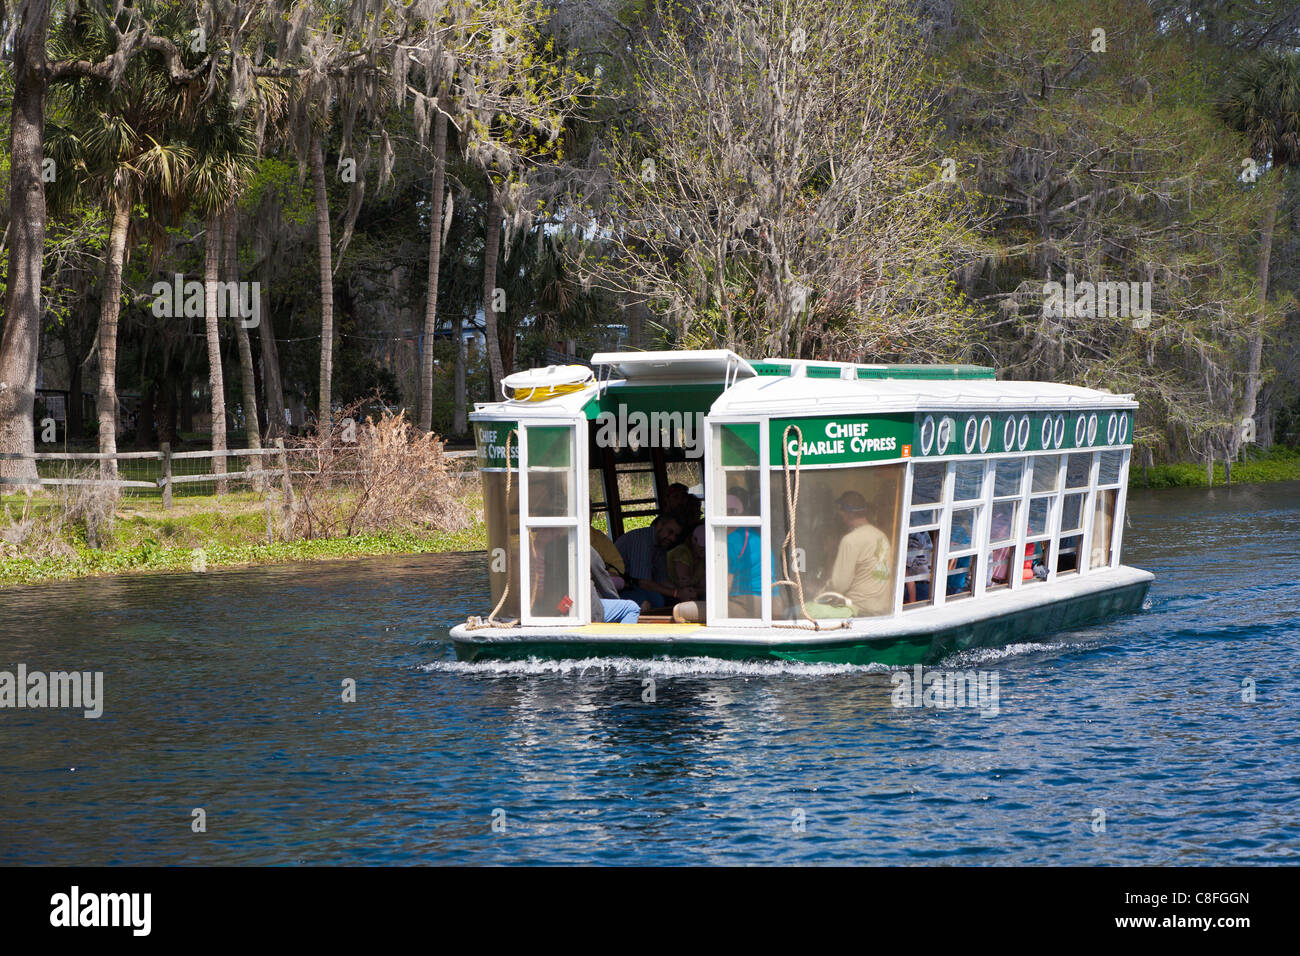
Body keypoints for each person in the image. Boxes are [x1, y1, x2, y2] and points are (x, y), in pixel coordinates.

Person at [807, 490, 892, 618]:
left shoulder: (850, 540)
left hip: (859, 609)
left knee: (800, 611)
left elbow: (839, 585)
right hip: (883, 608)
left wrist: (817, 591)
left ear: (844, 513)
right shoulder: (881, 536)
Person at [615, 512, 687, 609]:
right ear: (660, 525)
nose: (672, 538)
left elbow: (662, 579)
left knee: (675, 600)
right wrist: (676, 593)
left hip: (633, 585)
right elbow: (643, 583)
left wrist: (683, 591)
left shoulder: (661, 545)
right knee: (656, 600)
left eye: (676, 535)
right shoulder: (641, 541)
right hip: (617, 587)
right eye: (670, 532)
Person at [591, 547, 640, 623]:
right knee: (631, 608)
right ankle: (619, 635)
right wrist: (615, 599)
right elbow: (604, 582)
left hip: (567, 607)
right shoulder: (585, 549)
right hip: (585, 611)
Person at [667, 524, 706, 593]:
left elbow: (704, 586)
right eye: (702, 545)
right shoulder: (681, 553)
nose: (704, 548)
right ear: (693, 540)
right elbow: (684, 585)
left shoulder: (703, 558)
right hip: (670, 593)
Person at [905, 530, 933, 603]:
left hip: (919, 586)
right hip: (926, 583)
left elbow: (907, 573)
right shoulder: (922, 532)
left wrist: (912, 602)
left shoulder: (913, 535)